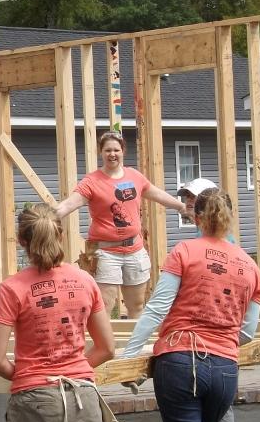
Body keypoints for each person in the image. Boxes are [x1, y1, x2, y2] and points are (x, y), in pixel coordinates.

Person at [120, 187, 260, 422]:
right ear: (231, 218)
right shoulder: (251, 268)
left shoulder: (184, 251)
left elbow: (157, 308)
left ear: (196, 218)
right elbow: (247, 332)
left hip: (180, 363)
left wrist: (129, 355)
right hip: (225, 370)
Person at [0, 203, 115, 422]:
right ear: (60, 234)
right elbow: (107, 347)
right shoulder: (85, 280)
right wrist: (75, 371)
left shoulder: (12, 288)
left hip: (35, 403)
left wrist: (31, 377)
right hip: (83, 398)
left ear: (22, 241)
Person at [55, 131, 187, 319]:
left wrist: (181, 206)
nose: (112, 154)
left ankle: (134, 348)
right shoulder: (92, 181)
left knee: (137, 305)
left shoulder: (134, 176)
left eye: (116, 150)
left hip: (135, 251)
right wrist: (48, 217)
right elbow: (69, 204)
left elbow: (157, 194)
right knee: (105, 307)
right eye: (107, 150)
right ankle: (106, 348)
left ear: (123, 151)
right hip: (106, 253)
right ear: (101, 152)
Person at [177, 177, 245, 422]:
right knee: (217, 398)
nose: (188, 205)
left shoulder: (220, 245)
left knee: (217, 400)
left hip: (213, 338)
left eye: (193, 200)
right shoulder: (200, 238)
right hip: (216, 339)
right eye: (186, 199)